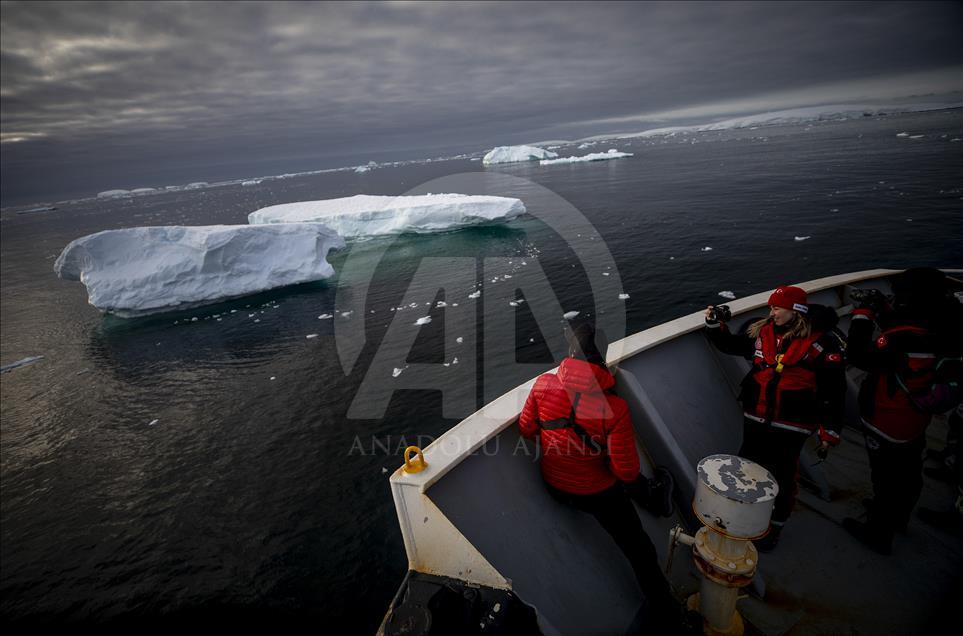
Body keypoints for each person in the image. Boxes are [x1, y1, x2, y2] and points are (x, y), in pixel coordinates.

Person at [518, 322, 691, 633]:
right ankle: (666, 610)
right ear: (601, 358)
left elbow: (527, 429)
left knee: (617, 481)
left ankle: (652, 496)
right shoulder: (614, 408)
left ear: (570, 354)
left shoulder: (543, 384)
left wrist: (565, 451)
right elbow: (624, 471)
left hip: (555, 486)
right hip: (597, 495)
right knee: (638, 548)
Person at [705, 285, 847, 551]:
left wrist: (829, 430)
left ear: (797, 311)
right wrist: (714, 326)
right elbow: (731, 345)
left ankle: (774, 527)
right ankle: (745, 518)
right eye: (771, 307)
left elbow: (834, 390)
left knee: (782, 475)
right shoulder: (763, 333)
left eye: (778, 308)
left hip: (792, 423)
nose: (772, 312)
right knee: (747, 468)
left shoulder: (821, 344)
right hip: (756, 416)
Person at [844, 267, 963, 554]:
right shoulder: (947, 323)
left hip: (888, 418)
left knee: (886, 479)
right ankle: (900, 518)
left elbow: (859, 355)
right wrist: (886, 310)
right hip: (917, 417)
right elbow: (907, 330)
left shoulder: (902, 339)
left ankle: (878, 534)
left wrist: (862, 314)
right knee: (909, 472)